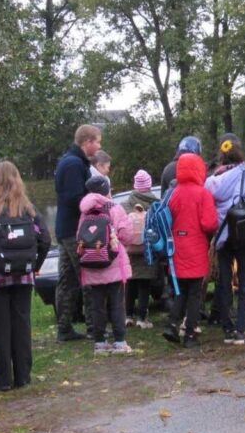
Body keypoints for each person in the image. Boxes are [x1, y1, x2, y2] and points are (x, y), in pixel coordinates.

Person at [0, 161, 52, 390]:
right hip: (24, 276)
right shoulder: (29, 210)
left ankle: (3, 380)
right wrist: (34, 265)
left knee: (0, 326)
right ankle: (23, 376)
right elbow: (45, 240)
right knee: (21, 324)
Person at [205, 139, 245, 345]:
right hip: (244, 233)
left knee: (224, 281)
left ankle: (227, 327)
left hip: (222, 235)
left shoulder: (212, 181)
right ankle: (241, 329)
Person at [161, 152, 218, 348]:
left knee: (180, 291)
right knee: (195, 293)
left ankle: (172, 324)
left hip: (176, 248)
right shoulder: (203, 194)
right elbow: (209, 223)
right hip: (196, 246)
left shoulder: (173, 193)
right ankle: (190, 334)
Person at [77, 173, 136, 355]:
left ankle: (100, 343)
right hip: (113, 262)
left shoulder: (85, 212)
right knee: (117, 304)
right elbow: (126, 234)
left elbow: (80, 236)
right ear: (106, 190)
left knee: (97, 305)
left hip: (91, 264)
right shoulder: (114, 208)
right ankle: (119, 342)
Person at [54, 124, 102, 342]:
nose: (99, 146)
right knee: (88, 276)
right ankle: (94, 327)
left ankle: (64, 327)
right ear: (88, 142)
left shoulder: (68, 161)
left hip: (64, 228)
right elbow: (75, 198)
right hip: (76, 230)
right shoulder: (74, 164)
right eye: (98, 142)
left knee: (67, 280)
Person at [122, 169, 159, 328]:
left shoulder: (125, 205)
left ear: (135, 186)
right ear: (149, 185)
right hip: (148, 250)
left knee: (130, 283)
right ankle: (142, 318)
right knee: (144, 284)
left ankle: (128, 316)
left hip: (129, 250)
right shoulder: (155, 204)